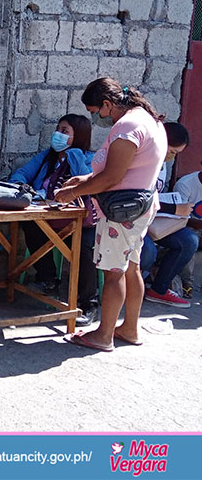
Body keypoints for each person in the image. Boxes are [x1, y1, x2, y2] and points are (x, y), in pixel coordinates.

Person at [56, 78, 167, 351]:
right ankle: (129, 328)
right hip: (139, 207)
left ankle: (103, 335)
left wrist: (73, 193)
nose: (96, 118)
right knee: (132, 268)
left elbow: (112, 178)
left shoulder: (127, 127)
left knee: (113, 272)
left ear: (108, 104)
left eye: (96, 111)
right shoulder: (150, 121)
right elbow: (129, 170)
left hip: (121, 211)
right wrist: (82, 181)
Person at [10, 114, 102, 325]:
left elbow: (88, 182)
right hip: (47, 214)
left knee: (85, 250)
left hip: (78, 220)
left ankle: (88, 303)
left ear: (78, 137)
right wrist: (23, 187)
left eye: (65, 131)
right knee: (30, 226)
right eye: (58, 129)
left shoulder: (88, 158)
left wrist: (74, 155)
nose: (58, 134)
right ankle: (47, 278)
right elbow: (22, 174)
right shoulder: (47, 157)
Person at [139, 122, 194, 308]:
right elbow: (139, 198)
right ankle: (129, 289)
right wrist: (174, 209)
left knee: (188, 240)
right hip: (133, 222)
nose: (172, 156)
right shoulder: (144, 160)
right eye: (173, 151)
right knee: (148, 251)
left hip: (153, 221)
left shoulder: (163, 165)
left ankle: (159, 289)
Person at [175, 163, 202, 299]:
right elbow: (179, 217)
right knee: (191, 239)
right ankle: (187, 281)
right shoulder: (186, 184)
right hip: (185, 225)